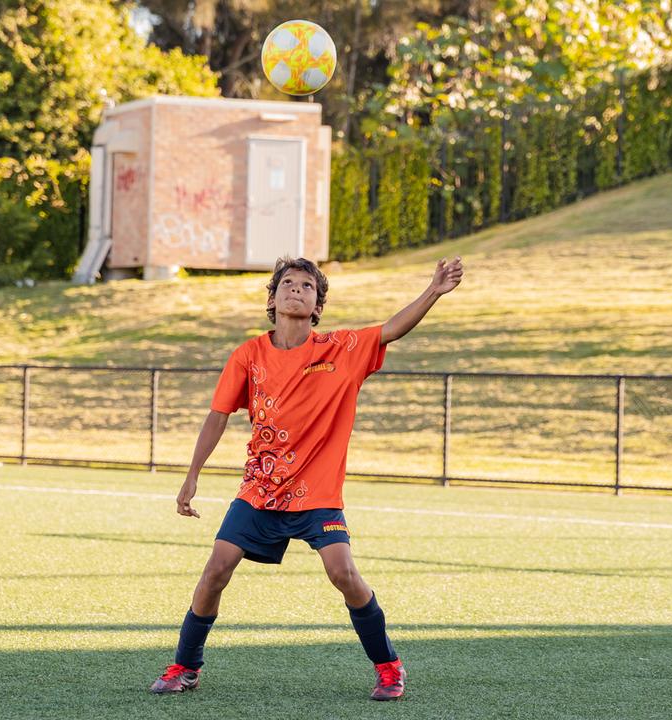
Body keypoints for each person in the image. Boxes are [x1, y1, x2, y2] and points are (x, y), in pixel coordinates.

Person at [150, 255, 464, 701]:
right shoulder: (248, 355)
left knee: (344, 574)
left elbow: (391, 328)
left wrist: (434, 289)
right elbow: (217, 416)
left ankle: (389, 667)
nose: (296, 290)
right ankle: (185, 665)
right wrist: (191, 476)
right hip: (260, 490)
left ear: (317, 306)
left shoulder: (341, 349)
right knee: (216, 568)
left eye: (307, 287)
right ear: (273, 298)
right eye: (288, 284)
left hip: (317, 495)